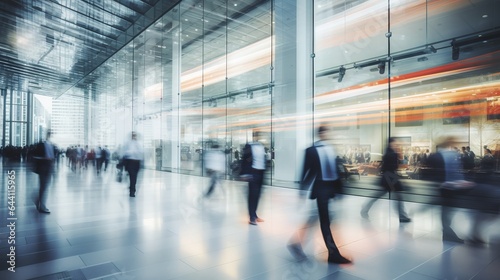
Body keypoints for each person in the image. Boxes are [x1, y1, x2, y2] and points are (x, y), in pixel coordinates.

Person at [288, 125, 351, 264]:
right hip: (321, 189)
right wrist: (302, 192)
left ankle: (295, 244)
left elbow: (335, 171)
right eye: (326, 132)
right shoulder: (311, 150)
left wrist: (340, 190)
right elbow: (307, 171)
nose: (328, 134)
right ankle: (333, 254)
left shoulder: (331, 149)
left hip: (331, 190)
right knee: (325, 222)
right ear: (320, 134)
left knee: (316, 219)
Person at [360, 137, 411, 223]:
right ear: (391, 143)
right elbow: (393, 167)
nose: (396, 145)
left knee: (379, 195)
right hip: (390, 178)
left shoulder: (388, 152)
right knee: (397, 197)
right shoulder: (392, 154)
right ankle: (402, 216)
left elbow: (386, 167)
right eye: (395, 143)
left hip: (388, 178)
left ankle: (365, 208)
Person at [240, 131, 266, 225]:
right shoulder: (249, 145)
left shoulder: (261, 146)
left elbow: (263, 160)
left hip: (261, 172)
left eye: (260, 135)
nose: (259, 136)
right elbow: (244, 160)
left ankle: (255, 215)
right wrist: (244, 174)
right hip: (253, 173)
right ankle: (251, 217)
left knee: (258, 195)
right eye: (257, 135)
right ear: (254, 136)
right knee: (252, 195)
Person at [32, 129, 56, 213]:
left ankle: (37, 200)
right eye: (49, 133)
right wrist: (44, 158)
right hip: (43, 166)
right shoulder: (41, 144)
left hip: (49, 166)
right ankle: (41, 206)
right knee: (43, 185)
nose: (50, 135)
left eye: (51, 133)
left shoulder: (52, 145)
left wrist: (52, 164)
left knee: (44, 186)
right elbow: (35, 155)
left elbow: (52, 156)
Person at [122, 132, 143, 197]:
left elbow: (141, 153)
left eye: (135, 135)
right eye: (133, 135)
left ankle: (132, 189)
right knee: (132, 177)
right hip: (130, 162)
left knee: (133, 177)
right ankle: (132, 190)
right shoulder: (128, 143)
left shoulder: (138, 144)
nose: (134, 137)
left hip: (136, 163)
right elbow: (125, 153)